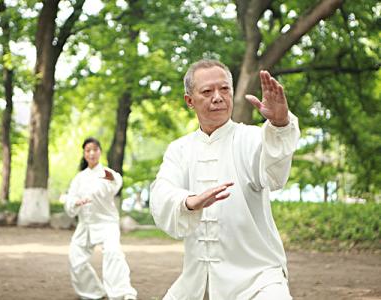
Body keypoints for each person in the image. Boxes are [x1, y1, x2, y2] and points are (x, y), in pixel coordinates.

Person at [150, 59, 300, 300]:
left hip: (259, 278)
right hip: (197, 281)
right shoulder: (179, 149)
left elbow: (275, 176)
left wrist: (280, 125)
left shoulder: (252, 138)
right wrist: (188, 201)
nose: (217, 97)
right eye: (207, 91)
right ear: (189, 100)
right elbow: (161, 192)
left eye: (224, 89)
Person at [64, 137, 137, 300]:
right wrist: (76, 202)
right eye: (88, 150)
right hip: (85, 225)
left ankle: (122, 293)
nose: (91, 153)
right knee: (75, 257)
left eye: (95, 149)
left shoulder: (107, 173)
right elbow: (70, 202)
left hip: (106, 223)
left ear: (100, 152)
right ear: (84, 154)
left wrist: (110, 177)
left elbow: (116, 182)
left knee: (113, 253)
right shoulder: (79, 178)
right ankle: (94, 293)